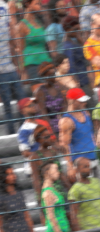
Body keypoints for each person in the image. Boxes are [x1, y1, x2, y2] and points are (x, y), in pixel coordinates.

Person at [0, 0, 25, 135]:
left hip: (10, 67)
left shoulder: (4, 6)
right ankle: (11, 134)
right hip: (1, 72)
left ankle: (22, 130)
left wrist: (17, 64)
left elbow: (12, 36)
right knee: (8, 105)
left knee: (22, 101)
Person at [59, 87, 96, 172]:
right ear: (72, 101)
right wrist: (70, 166)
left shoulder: (86, 113)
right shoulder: (66, 121)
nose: (85, 103)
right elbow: (64, 145)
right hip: (80, 162)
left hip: (94, 156)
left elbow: (91, 135)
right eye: (81, 101)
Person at [18, 0, 54, 79]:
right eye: (37, 4)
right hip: (32, 64)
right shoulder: (22, 25)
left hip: (46, 62)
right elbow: (20, 50)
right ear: (28, 4)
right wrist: (22, 71)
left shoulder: (39, 22)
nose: (40, 6)